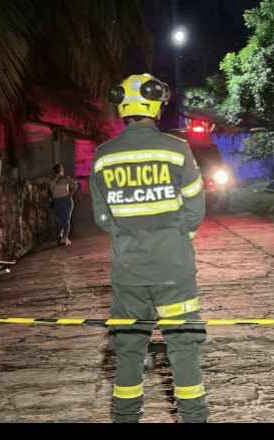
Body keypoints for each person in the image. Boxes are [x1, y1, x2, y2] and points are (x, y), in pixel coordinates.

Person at [91, 73, 209, 423]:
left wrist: (130, 235)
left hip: (128, 272)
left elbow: (102, 218)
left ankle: (126, 418)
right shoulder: (176, 150)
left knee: (128, 350)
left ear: (121, 109)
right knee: (184, 348)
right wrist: (172, 238)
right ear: (156, 107)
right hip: (174, 269)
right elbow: (195, 210)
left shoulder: (102, 156)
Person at [50, 163, 78, 245]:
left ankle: (60, 234)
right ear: (61, 170)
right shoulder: (65, 178)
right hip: (66, 200)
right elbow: (75, 185)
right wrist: (71, 193)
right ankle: (65, 238)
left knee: (60, 218)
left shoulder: (51, 179)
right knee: (66, 219)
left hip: (56, 201)